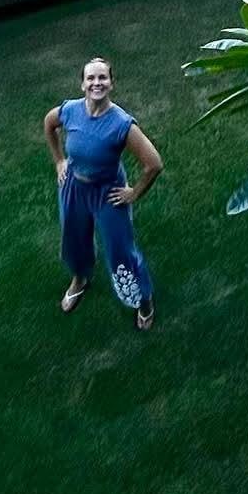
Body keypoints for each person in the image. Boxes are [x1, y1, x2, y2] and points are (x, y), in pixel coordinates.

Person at [45, 56, 162, 331]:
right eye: (91, 78)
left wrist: (133, 193)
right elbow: (49, 125)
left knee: (122, 253)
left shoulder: (122, 124)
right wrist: (60, 161)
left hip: (108, 194)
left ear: (111, 83)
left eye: (102, 78)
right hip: (74, 187)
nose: (96, 83)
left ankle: (143, 300)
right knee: (73, 239)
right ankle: (80, 278)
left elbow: (154, 164)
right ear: (83, 84)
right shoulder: (70, 110)